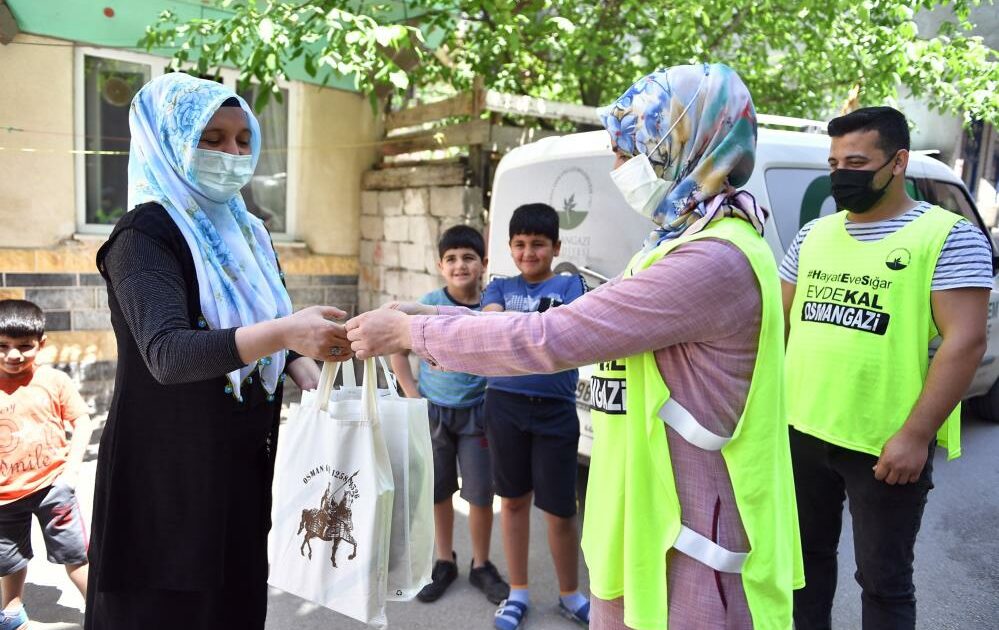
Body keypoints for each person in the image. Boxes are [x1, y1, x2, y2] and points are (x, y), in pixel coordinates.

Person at [347, 63, 803, 630]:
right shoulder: (686, 240)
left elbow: (551, 336)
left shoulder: (712, 260)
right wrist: (427, 313)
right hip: (657, 518)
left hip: (699, 535)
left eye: (627, 151)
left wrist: (413, 334)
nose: (618, 169)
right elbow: (576, 320)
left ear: (681, 148)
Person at [84, 72, 351, 630]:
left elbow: (265, 327)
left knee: (232, 608)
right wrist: (285, 335)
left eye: (243, 139)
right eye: (212, 138)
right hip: (166, 482)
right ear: (169, 139)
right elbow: (168, 353)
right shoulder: (144, 235)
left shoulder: (248, 231)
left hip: (238, 474)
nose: (232, 153)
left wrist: (302, 364)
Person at [779, 106, 993, 630]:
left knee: (884, 582)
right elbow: (777, 324)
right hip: (801, 430)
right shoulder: (814, 235)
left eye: (856, 161)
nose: (841, 174)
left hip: (886, 443)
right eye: (833, 164)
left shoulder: (949, 236)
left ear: (897, 162)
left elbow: (965, 342)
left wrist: (916, 435)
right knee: (803, 568)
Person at [474, 203, 589, 630]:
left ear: (556, 246)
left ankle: (570, 595)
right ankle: (518, 592)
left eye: (538, 244)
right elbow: (493, 332)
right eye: (520, 245)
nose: (528, 253)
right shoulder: (497, 288)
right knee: (514, 501)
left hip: (556, 412)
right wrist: (534, 331)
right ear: (509, 247)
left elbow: (567, 336)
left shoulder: (571, 284)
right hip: (504, 405)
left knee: (560, 510)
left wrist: (518, 330)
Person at [389, 225, 510, 605]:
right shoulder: (427, 303)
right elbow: (397, 348)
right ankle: (444, 560)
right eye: (452, 259)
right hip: (434, 413)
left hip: (478, 416)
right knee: (439, 490)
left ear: (483, 263)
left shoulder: (490, 308)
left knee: (479, 492)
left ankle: (482, 564)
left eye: (469, 258)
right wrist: (412, 392)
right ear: (440, 265)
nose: (460, 265)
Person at [0, 300, 93, 630]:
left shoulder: (53, 380)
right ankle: (11, 614)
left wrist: (71, 472)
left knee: (75, 556)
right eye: (3, 346)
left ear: (41, 343)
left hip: (53, 489)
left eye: (24, 346)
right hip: (4, 499)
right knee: (9, 560)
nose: (14, 355)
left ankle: (100, 611)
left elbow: (82, 421)